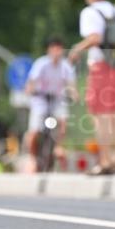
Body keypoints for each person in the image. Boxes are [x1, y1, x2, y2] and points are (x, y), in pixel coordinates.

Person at [69, 0, 115, 175]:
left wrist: (77, 49)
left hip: (99, 66)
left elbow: (95, 37)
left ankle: (105, 161)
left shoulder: (89, 12)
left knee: (99, 115)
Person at [24, 38, 77, 172]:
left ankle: (59, 146)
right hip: (41, 99)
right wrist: (30, 89)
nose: (56, 52)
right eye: (54, 48)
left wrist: (74, 94)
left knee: (63, 121)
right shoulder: (41, 63)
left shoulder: (66, 66)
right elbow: (31, 80)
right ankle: (32, 158)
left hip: (57, 99)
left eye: (59, 49)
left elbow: (70, 84)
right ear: (49, 50)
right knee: (34, 131)